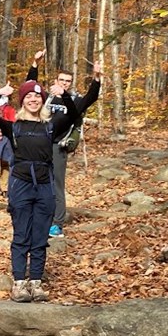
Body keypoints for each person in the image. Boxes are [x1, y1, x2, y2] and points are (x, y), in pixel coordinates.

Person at [0, 55, 77, 302]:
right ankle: (19, 282)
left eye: (37, 96)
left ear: (42, 100)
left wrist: (64, 95)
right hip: (21, 185)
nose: (33, 99)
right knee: (21, 234)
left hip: (44, 186)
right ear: (23, 100)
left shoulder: (51, 125)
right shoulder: (13, 126)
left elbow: (74, 114)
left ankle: (35, 281)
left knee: (40, 235)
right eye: (28, 96)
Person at [43, 64, 102, 237]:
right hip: (39, 145)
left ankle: (57, 224)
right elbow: (30, 88)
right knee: (39, 182)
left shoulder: (75, 100)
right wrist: (35, 64)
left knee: (57, 184)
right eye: (61, 80)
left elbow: (92, 97)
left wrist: (96, 77)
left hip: (58, 146)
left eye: (68, 81)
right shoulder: (47, 98)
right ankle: (42, 218)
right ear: (56, 81)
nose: (64, 84)